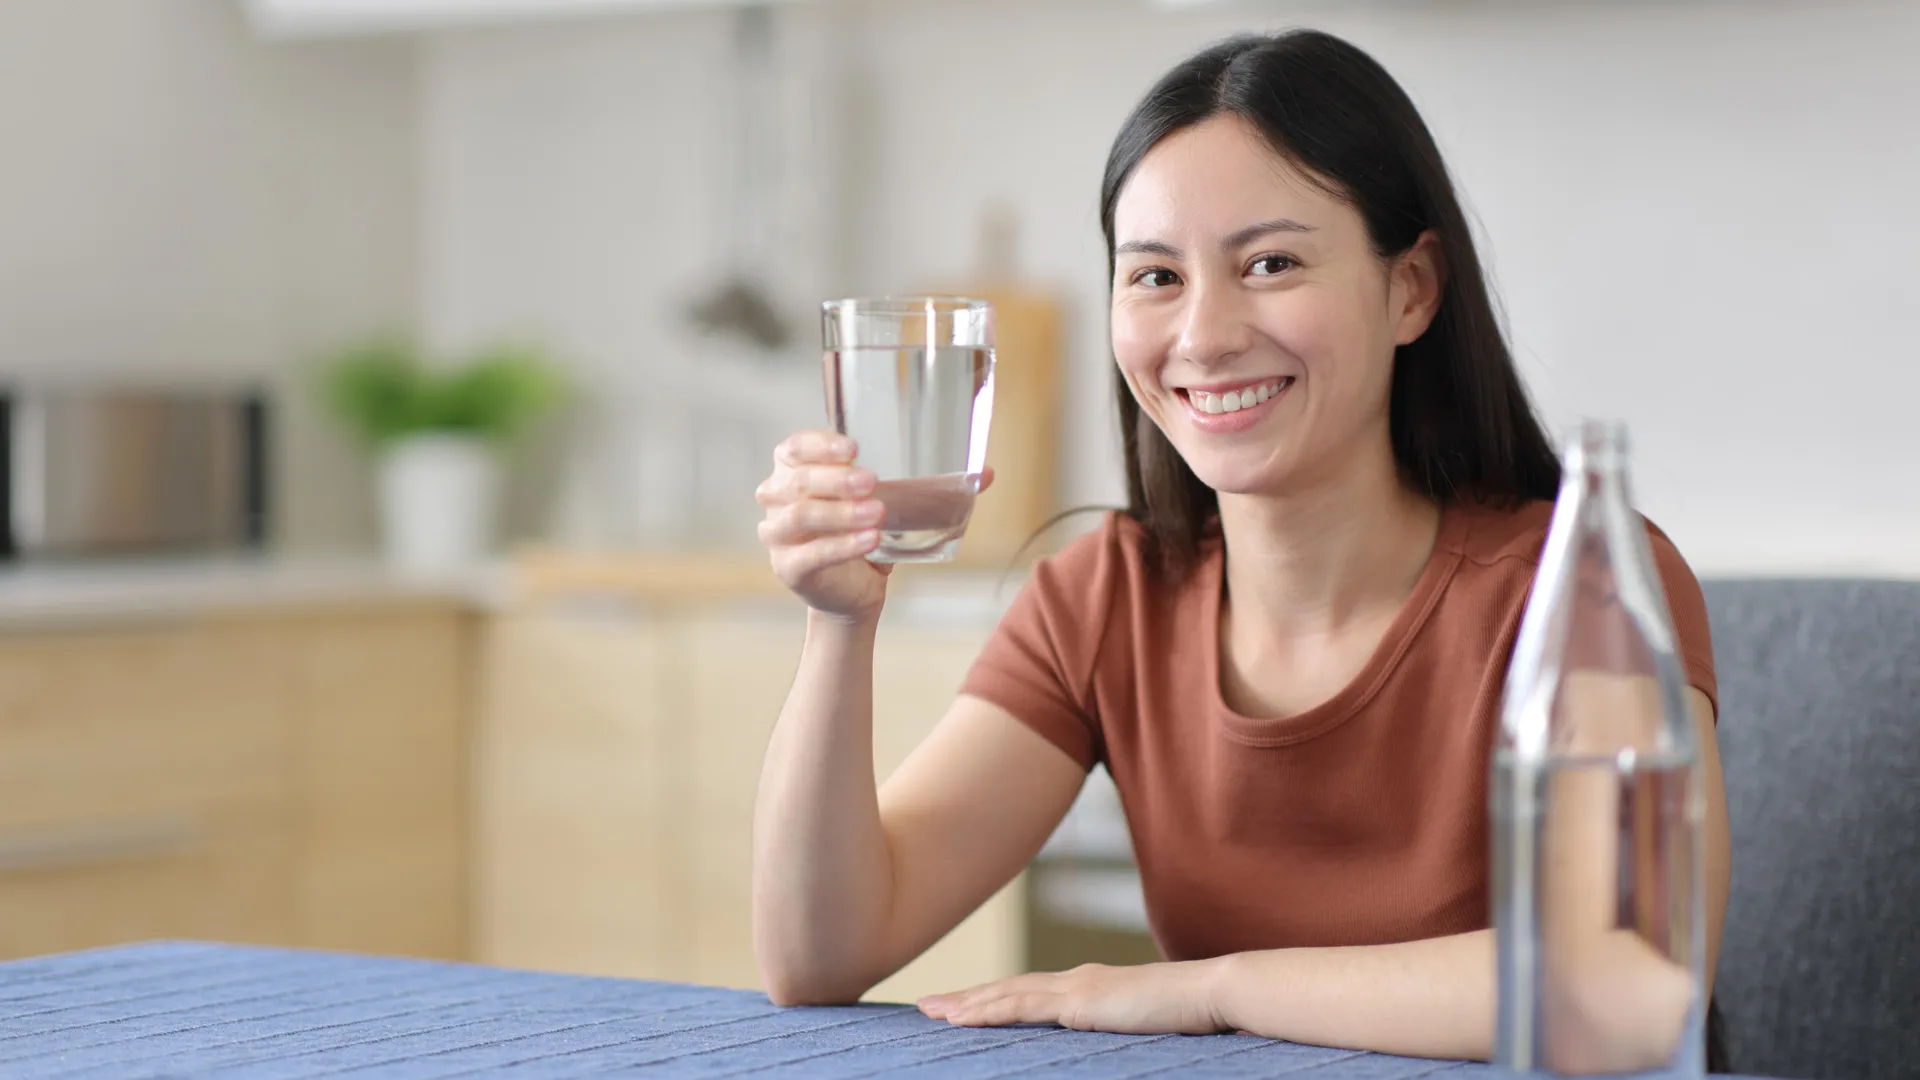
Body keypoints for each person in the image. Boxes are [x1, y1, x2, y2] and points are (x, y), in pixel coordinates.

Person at [750, 28, 1730, 1065]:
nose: (1204, 335)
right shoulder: (1105, 599)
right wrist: (837, 623)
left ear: (1412, 289)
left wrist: (1214, 988)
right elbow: (821, 954)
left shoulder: (1582, 586)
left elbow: (1626, 979)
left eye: (1270, 263)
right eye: (1157, 277)